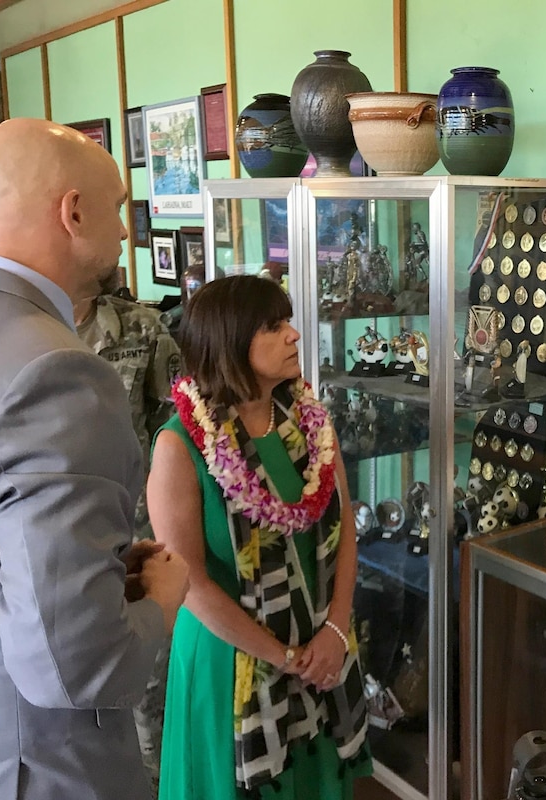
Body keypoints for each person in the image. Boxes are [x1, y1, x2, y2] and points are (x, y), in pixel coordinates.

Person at [0, 118, 190, 799]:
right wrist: (161, 604)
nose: (125, 232)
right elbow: (72, 668)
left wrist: (94, 572)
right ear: (73, 212)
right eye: (118, 209)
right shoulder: (58, 372)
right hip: (41, 770)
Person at [149, 275, 371, 800]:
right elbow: (191, 586)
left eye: (288, 322)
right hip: (231, 667)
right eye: (274, 327)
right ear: (230, 341)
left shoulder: (310, 423)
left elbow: (343, 529)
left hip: (320, 650)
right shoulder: (180, 447)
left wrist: (335, 632)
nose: (294, 335)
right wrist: (286, 657)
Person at [75, 272, 182, 795]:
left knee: (148, 694)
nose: (121, 232)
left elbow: (178, 433)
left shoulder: (144, 330)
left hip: (136, 544)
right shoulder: (15, 337)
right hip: (53, 554)